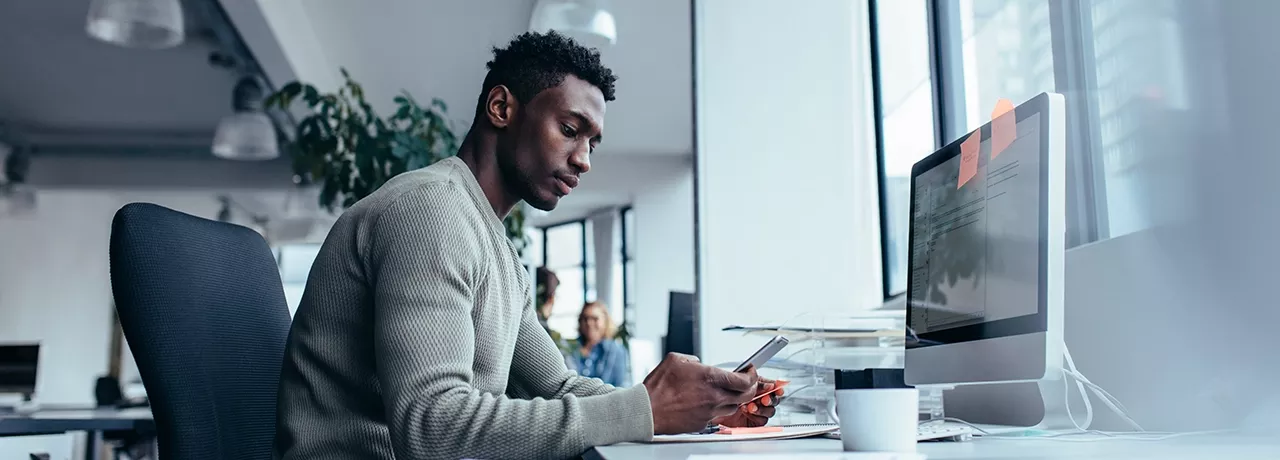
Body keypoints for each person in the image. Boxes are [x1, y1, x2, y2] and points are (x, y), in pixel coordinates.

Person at [274, 31, 781, 460]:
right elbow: (431, 427)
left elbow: (560, 388)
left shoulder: (494, 247)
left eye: (592, 143)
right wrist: (644, 409)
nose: (584, 160)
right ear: (502, 108)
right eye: (569, 129)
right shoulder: (430, 212)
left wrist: (700, 405)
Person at [570, 301, 630, 387]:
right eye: (585, 318)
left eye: (595, 318)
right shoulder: (570, 348)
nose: (589, 323)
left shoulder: (616, 351)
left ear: (605, 321)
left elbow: (620, 386)